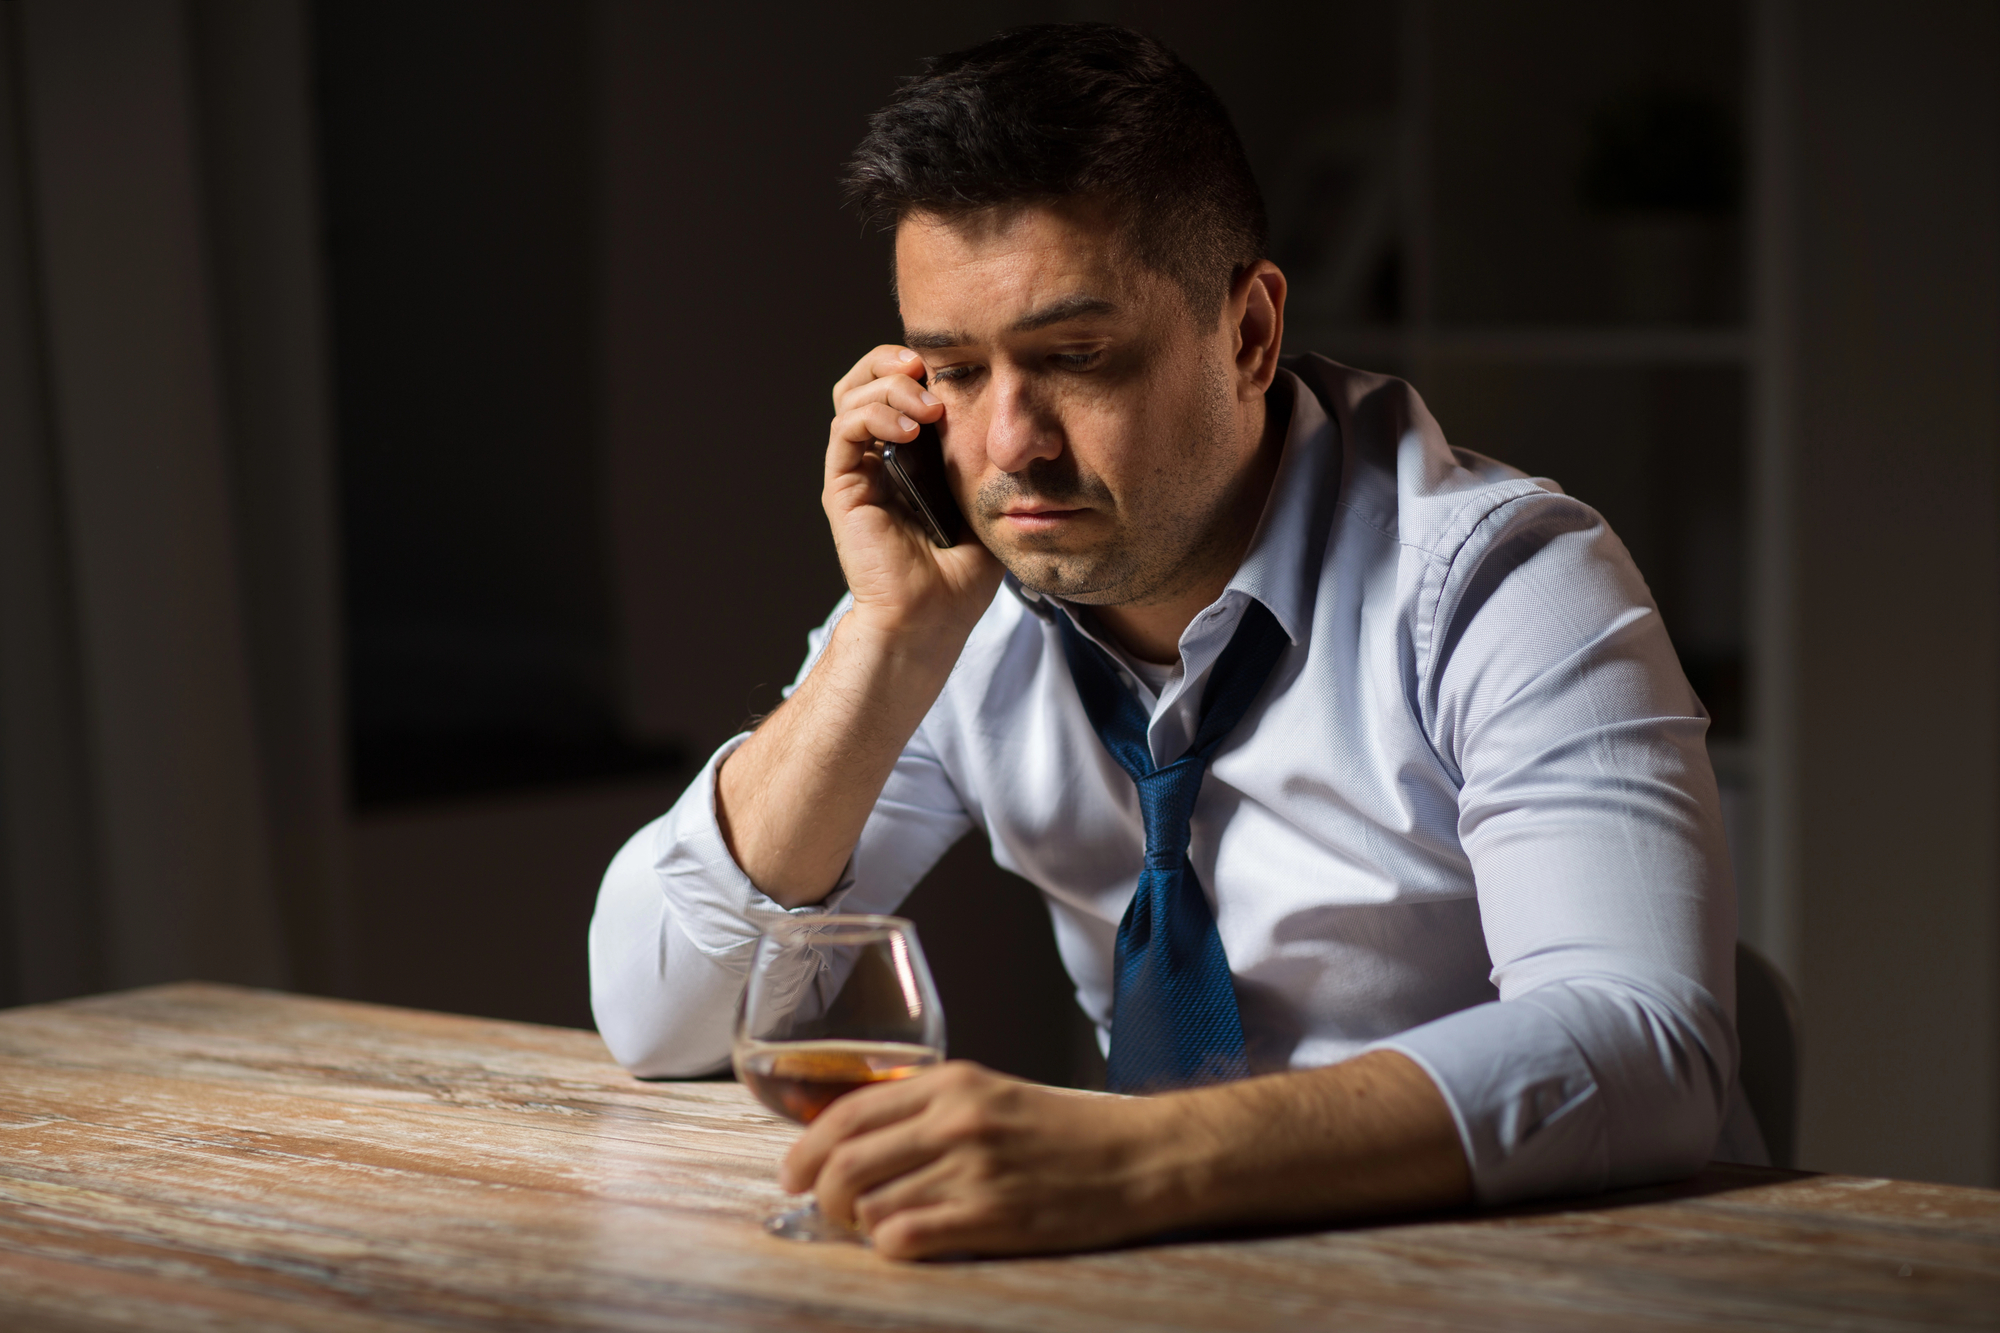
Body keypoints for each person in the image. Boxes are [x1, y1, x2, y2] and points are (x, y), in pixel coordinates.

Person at [589, 22, 1760, 1260]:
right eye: (955, 371)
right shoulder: (960, 600)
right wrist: (883, 645)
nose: (1007, 446)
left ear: (1248, 334)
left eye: (1073, 357)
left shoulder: (1505, 582)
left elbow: (1645, 1044)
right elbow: (660, 1014)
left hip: (1542, 1276)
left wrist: (1131, 1157)